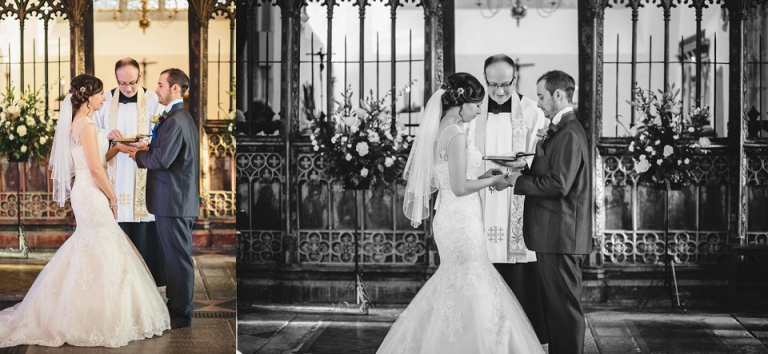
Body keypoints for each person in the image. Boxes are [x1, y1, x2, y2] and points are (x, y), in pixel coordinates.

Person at [376, 73, 544, 354]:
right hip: (460, 221)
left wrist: (486, 174)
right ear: (462, 102)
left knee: (460, 280)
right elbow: (460, 186)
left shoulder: (443, 129)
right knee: (470, 278)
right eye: (477, 104)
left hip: (454, 215)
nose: (480, 109)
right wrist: (494, 180)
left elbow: (455, 178)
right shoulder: (454, 133)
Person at [0, 74, 170, 348]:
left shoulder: (78, 123)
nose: (105, 97)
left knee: (91, 247)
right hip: (92, 192)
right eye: (101, 93)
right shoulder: (88, 125)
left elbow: (97, 159)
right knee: (101, 246)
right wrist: (113, 198)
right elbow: (94, 168)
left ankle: (89, 308)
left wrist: (119, 148)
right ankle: (98, 314)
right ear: (89, 97)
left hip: (86, 190)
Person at [467, 54, 550, 349]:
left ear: (515, 78)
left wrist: (519, 168)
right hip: (483, 197)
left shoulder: (531, 112)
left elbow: (540, 158)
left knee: (519, 263)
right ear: (484, 80)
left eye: (505, 84)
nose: (500, 91)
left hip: (516, 199)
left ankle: (522, 338)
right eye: (493, 85)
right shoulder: (473, 114)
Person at [507, 70, 592, 354]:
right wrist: (526, 167)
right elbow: (554, 172)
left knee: (565, 312)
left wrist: (518, 182)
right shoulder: (561, 130)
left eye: (541, 96)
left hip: (561, 236)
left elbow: (559, 184)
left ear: (558, 95)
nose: (538, 103)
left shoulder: (568, 133)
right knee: (556, 312)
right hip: (554, 236)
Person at [130, 68, 200, 330]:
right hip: (174, 200)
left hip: (174, 202)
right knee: (173, 259)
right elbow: (165, 152)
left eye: (160, 85)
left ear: (175, 88)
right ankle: (177, 307)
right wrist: (147, 148)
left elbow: (162, 160)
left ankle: (181, 314)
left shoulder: (175, 119)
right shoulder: (178, 117)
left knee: (177, 260)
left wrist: (137, 156)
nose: (156, 89)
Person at [94, 57, 166, 287]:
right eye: (123, 83)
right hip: (115, 168)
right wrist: (107, 132)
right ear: (116, 78)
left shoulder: (153, 100)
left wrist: (147, 141)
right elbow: (92, 129)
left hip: (141, 167)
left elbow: (163, 130)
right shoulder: (105, 102)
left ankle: (145, 281)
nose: (128, 88)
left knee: (143, 220)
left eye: (132, 83)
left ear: (140, 77)